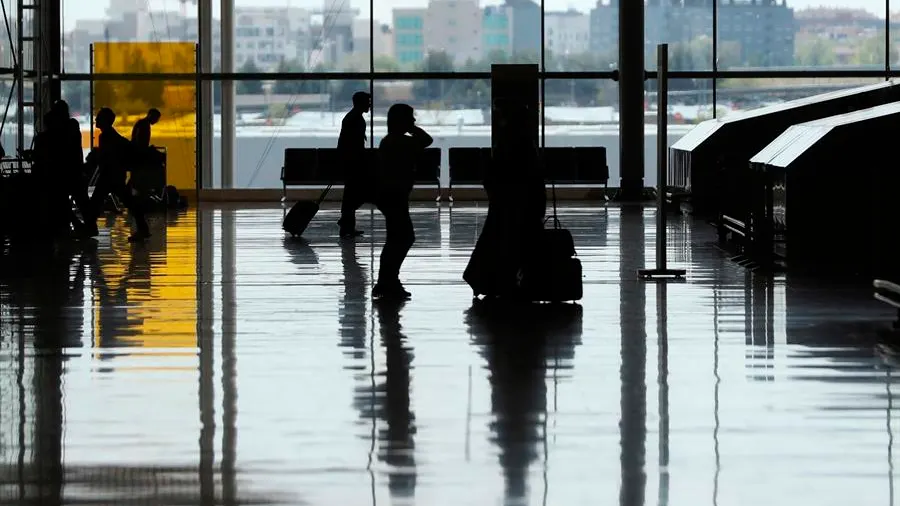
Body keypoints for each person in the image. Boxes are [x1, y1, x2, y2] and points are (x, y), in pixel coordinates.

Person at [463, 99, 546, 299]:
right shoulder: (521, 140)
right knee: (514, 240)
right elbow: (528, 173)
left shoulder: (507, 139)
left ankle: (489, 279)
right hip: (518, 198)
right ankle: (503, 280)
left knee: (499, 238)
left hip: (506, 198)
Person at [372, 103, 432, 299]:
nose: (414, 121)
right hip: (394, 195)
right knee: (402, 238)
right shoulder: (399, 141)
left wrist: (409, 127)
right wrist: (412, 128)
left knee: (396, 239)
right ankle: (387, 281)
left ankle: (387, 281)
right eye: (410, 118)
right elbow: (426, 140)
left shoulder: (390, 140)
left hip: (391, 195)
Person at [89, 107, 151, 243]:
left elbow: (106, 158)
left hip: (109, 176)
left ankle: (90, 227)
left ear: (105, 120)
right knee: (128, 202)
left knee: (96, 202)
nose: (96, 119)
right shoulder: (112, 136)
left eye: (98, 117)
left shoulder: (105, 136)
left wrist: (96, 156)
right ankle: (143, 228)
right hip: (116, 175)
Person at [52, 100, 98, 237]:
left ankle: (77, 224)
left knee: (61, 200)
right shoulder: (73, 125)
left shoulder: (60, 129)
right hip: (75, 169)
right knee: (82, 202)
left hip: (65, 171)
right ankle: (89, 226)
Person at [336, 91, 371, 238]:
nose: (369, 104)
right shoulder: (354, 119)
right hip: (353, 162)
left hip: (351, 161)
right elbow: (351, 143)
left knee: (352, 194)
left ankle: (347, 224)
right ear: (361, 102)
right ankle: (346, 223)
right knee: (357, 193)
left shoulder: (353, 117)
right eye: (367, 101)